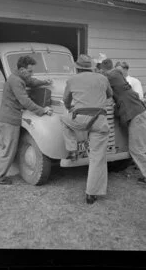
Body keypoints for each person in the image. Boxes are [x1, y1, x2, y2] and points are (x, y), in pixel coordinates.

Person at [0, 55, 53, 185]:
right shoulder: (17, 81)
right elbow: (25, 101)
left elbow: (31, 81)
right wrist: (43, 110)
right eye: (30, 71)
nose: (31, 73)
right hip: (10, 120)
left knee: (0, 147)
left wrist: (44, 82)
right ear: (22, 69)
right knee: (8, 150)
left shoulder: (17, 77)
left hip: (3, 118)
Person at [60, 54, 113, 204]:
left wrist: (69, 108)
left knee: (62, 119)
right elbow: (110, 95)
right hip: (100, 120)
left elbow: (66, 100)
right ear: (91, 67)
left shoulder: (71, 80)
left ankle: (72, 148)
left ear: (77, 68)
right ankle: (91, 194)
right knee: (97, 158)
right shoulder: (102, 78)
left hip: (80, 119)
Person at [99, 58, 146, 185]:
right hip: (142, 112)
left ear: (103, 69)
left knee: (136, 149)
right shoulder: (118, 76)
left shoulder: (110, 75)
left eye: (100, 69)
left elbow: (102, 85)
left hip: (136, 116)